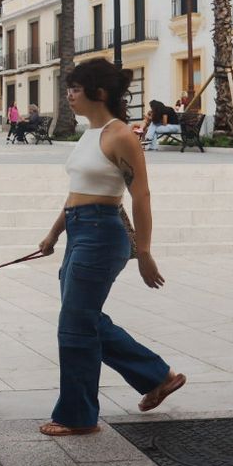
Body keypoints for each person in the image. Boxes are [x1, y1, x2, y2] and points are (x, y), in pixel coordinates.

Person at [35, 59, 185, 437]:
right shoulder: (89, 133)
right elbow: (77, 192)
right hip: (79, 230)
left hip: (102, 234)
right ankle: (158, 376)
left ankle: (78, 416)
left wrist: (144, 253)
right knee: (83, 319)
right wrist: (54, 234)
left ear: (98, 93)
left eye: (75, 89)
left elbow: (141, 196)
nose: (69, 95)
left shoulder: (121, 136)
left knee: (74, 326)